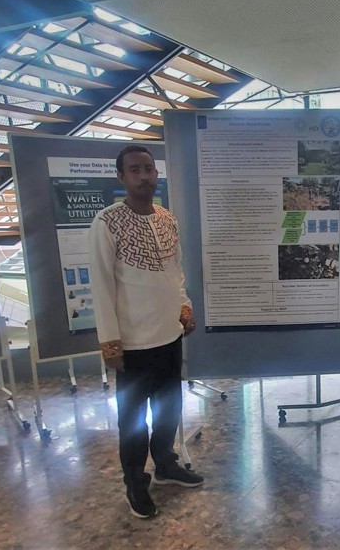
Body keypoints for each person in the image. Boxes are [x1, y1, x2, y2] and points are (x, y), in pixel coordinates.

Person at [89, 144, 204, 519]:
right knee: (134, 421)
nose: (144, 176)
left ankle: (167, 464)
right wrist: (110, 342)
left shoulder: (167, 219)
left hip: (169, 336)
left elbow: (176, 273)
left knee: (169, 408)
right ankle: (135, 482)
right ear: (121, 177)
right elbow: (102, 286)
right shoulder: (106, 222)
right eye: (135, 170)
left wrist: (184, 306)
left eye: (149, 169)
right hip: (133, 344)